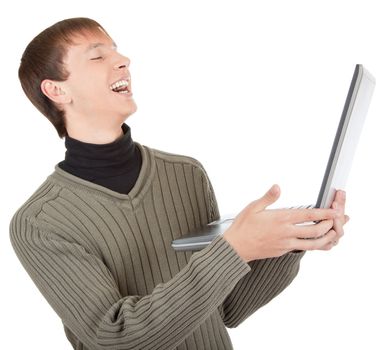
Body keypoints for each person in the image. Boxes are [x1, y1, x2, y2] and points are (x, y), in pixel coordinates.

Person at [9, 17, 349, 350]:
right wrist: (234, 248)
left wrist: (290, 241)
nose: (123, 61)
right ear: (56, 90)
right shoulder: (39, 223)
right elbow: (116, 339)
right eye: (98, 56)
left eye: (117, 51)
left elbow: (227, 309)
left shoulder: (186, 174)